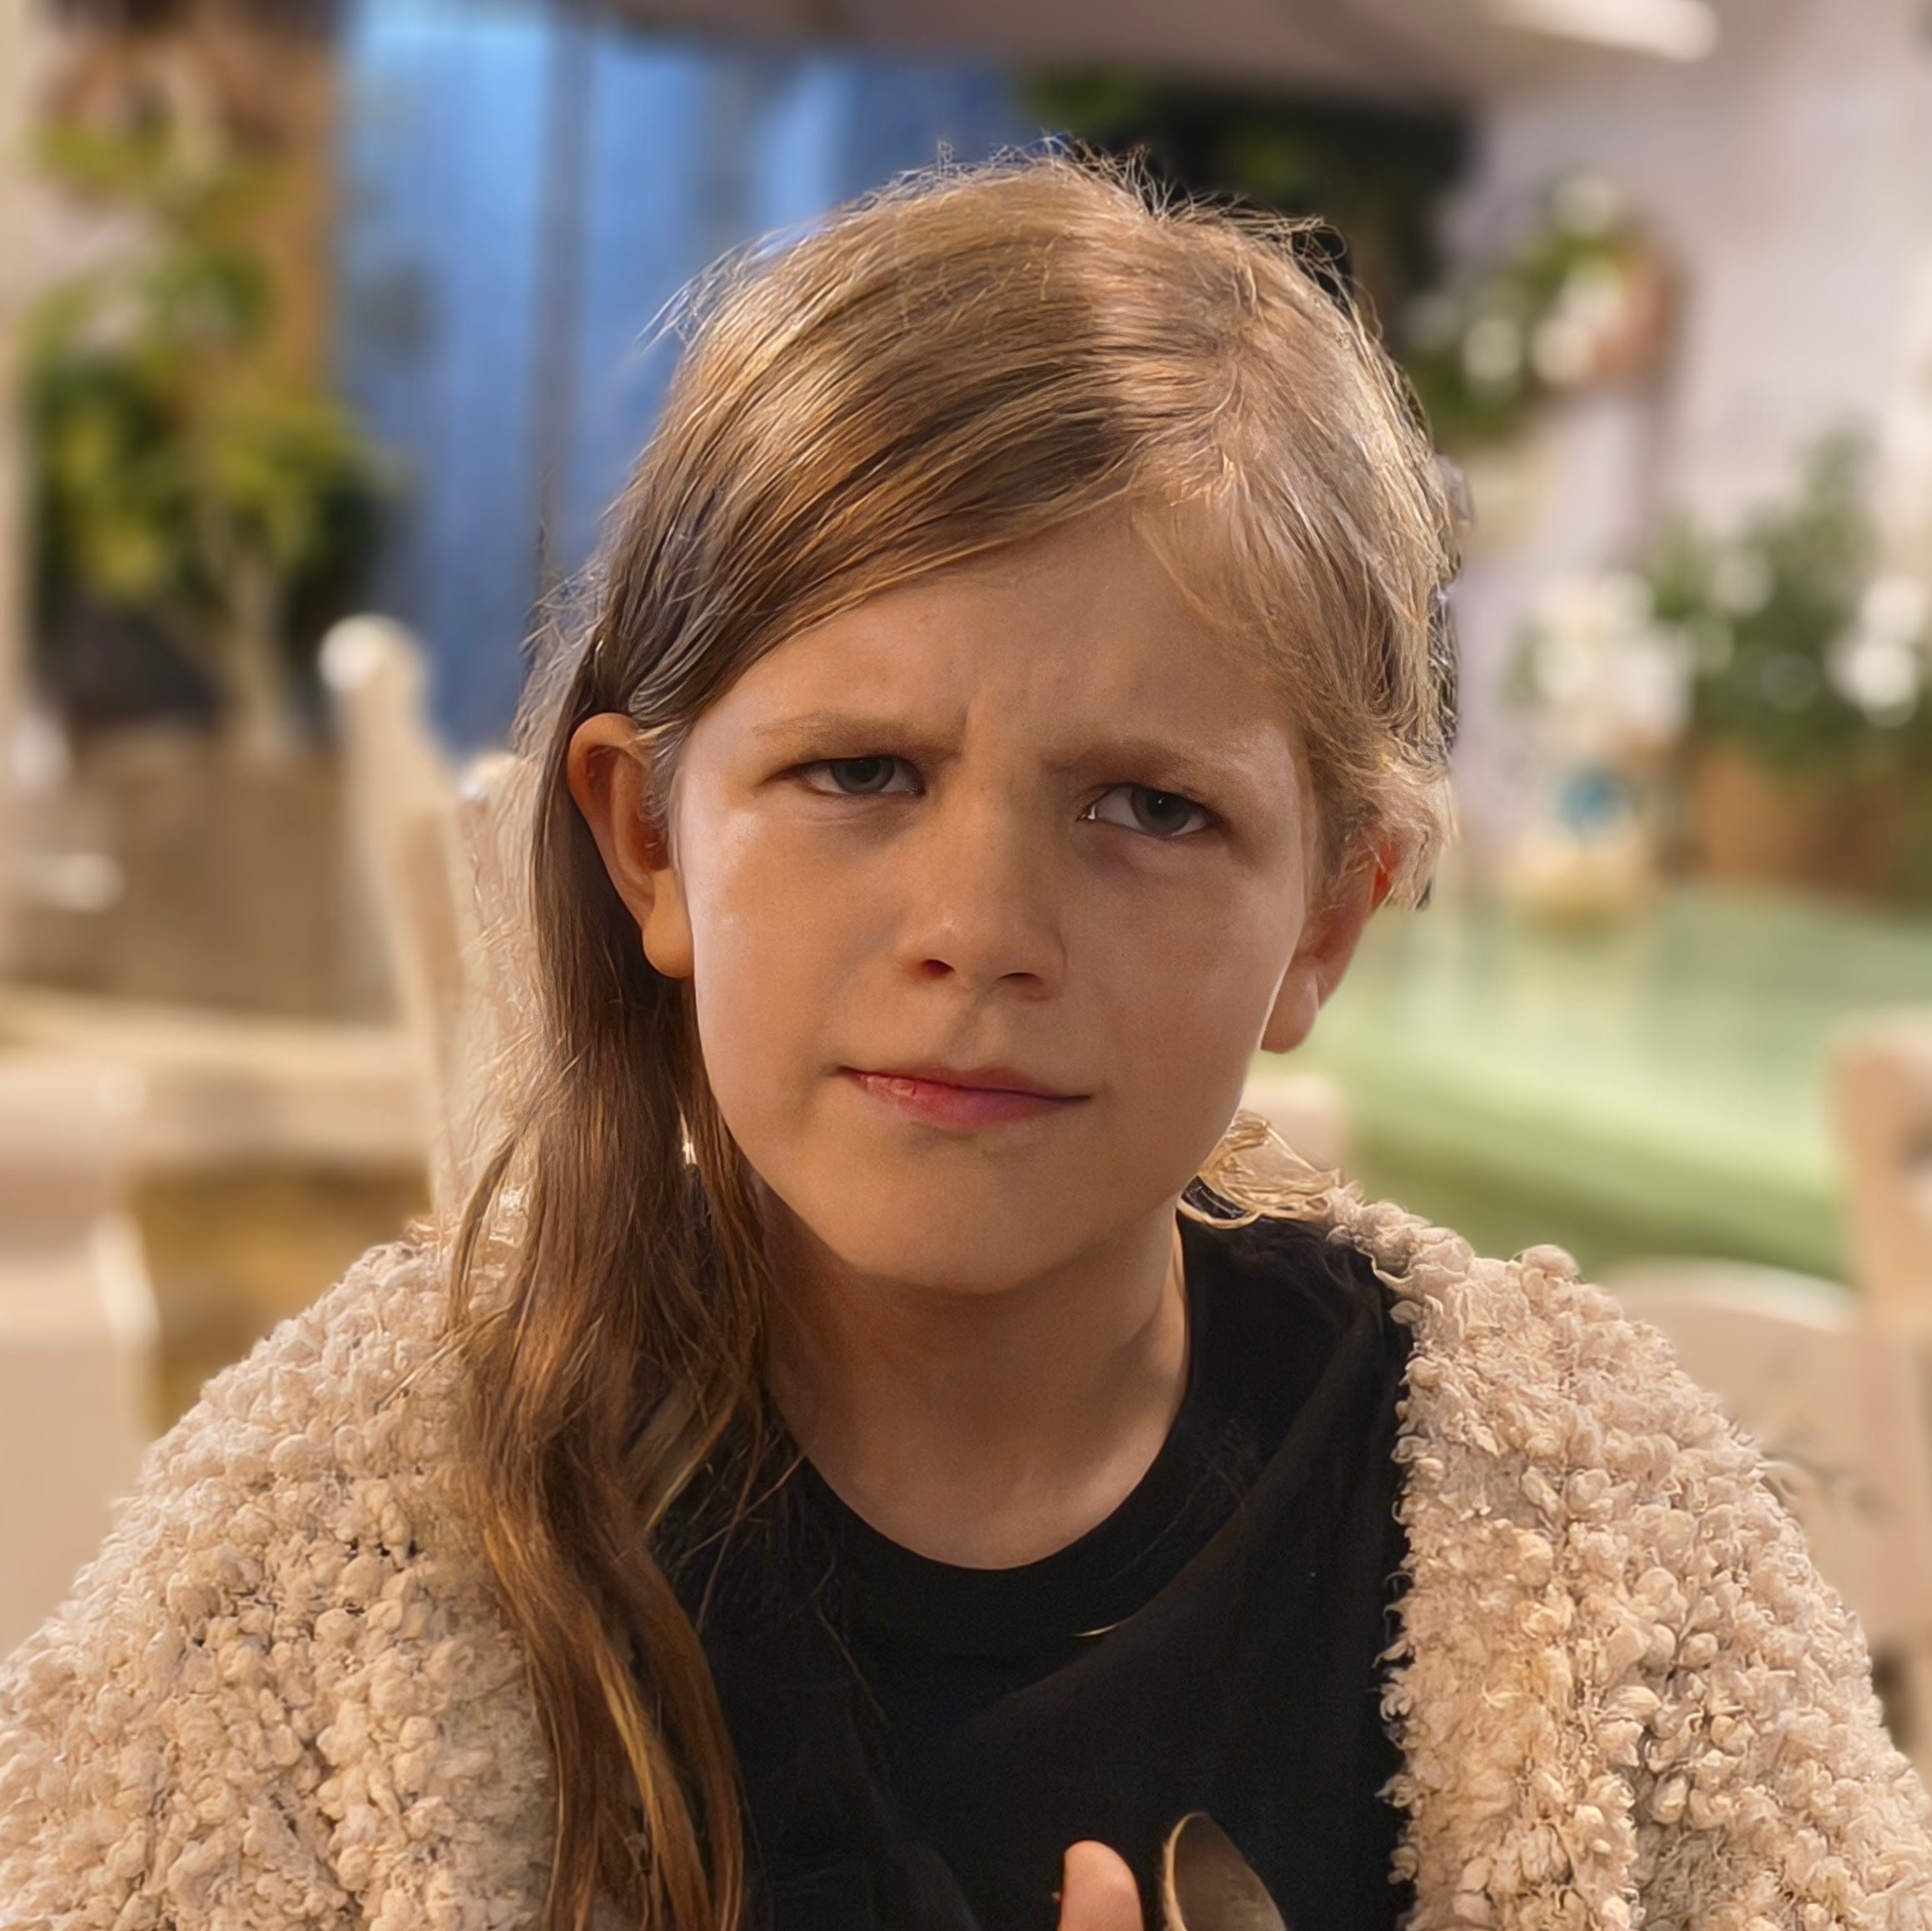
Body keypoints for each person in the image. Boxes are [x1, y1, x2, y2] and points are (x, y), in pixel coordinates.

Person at [2, 152, 1929, 1931]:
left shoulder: (1595, 1556)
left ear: (1325, 921)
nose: (984, 927)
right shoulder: (339, 1537)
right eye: (861, 770)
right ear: (649, 839)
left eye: (1152, 807)